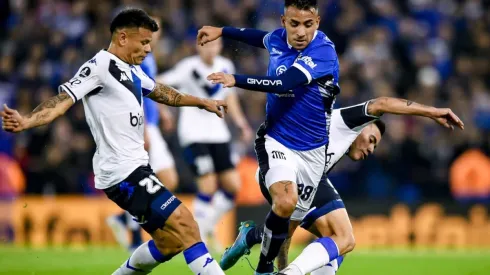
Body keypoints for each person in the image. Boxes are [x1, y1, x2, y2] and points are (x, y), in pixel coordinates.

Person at [1, 8, 228, 275]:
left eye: (150, 43)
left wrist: (202, 102)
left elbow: (163, 93)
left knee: (170, 242)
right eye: (143, 42)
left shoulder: (131, 70)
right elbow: (61, 101)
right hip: (123, 171)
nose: (148, 50)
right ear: (122, 38)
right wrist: (27, 120)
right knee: (186, 224)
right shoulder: (98, 67)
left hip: (135, 167)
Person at [219, 97, 464, 275]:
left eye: (375, 147)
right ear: (363, 126)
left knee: (337, 244)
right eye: (371, 141)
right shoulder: (345, 121)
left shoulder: (328, 156)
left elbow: (288, 230)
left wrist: (281, 265)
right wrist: (431, 112)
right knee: (344, 237)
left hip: (291, 174)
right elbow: (382, 103)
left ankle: (251, 236)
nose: (370, 149)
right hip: (279, 165)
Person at [198, 1, 340, 273]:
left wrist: (235, 79)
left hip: (312, 149)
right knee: (285, 202)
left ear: (318, 22)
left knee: (289, 225)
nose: (301, 32)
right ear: (283, 20)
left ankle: (250, 238)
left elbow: (284, 83)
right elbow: (256, 36)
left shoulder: (323, 50)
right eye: (294, 24)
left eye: (308, 25)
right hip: (276, 139)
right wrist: (223, 30)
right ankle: (263, 269)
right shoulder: (277, 38)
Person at [156, 37, 252, 248]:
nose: (211, 49)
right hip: (193, 135)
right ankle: (198, 238)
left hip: (218, 134)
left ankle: (207, 225)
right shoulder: (187, 67)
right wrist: (163, 110)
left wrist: (241, 123)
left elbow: (231, 99)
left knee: (232, 185)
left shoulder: (226, 66)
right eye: (206, 45)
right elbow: (156, 83)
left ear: (219, 47)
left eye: (214, 45)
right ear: (199, 47)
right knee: (207, 186)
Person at [106, 15, 179, 253]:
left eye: (157, 30)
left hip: (152, 124)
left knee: (165, 180)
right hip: (143, 127)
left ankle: (125, 220)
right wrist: (145, 127)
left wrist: (161, 112)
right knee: (163, 179)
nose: (154, 35)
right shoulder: (137, 59)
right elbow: (134, 95)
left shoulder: (148, 57)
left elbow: (149, 88)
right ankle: (136, 234)